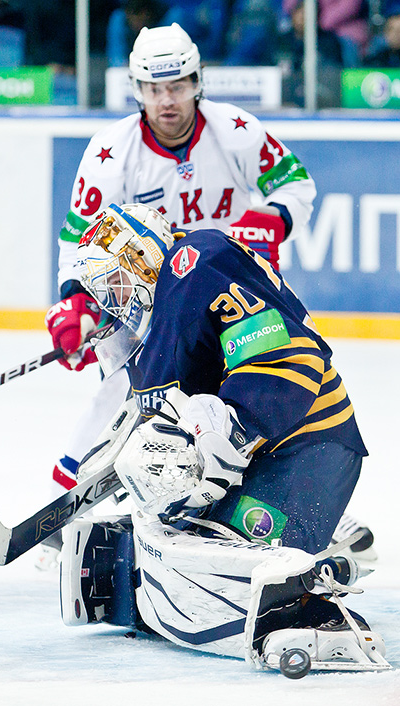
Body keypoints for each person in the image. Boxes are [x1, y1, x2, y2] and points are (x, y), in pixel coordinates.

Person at [41, 23, 371, 569]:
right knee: (134, 388)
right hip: (148, 294)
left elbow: (295, 184)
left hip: (225, 287)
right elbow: (82, 241)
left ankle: (294, 500)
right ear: (137, 89)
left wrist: (270, 219)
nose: (166, 100)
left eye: (176, 86)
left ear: (197, 81)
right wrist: (76, 300)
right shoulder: (110, 153)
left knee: (245, 397)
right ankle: (74, 497)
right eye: (153, 88)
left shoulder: (237, 131)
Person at [57, 202, 389, 670]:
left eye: (116, 282)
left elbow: (287, 357)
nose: (115, 298)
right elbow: (162, 412)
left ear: (142, 258)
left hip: (307, 441)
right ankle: (323, 543)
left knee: (229, 564)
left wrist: (235, 430)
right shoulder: (165, 307)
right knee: (179, 536)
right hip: (263, 454)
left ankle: (316, 612)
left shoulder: (196, 261)